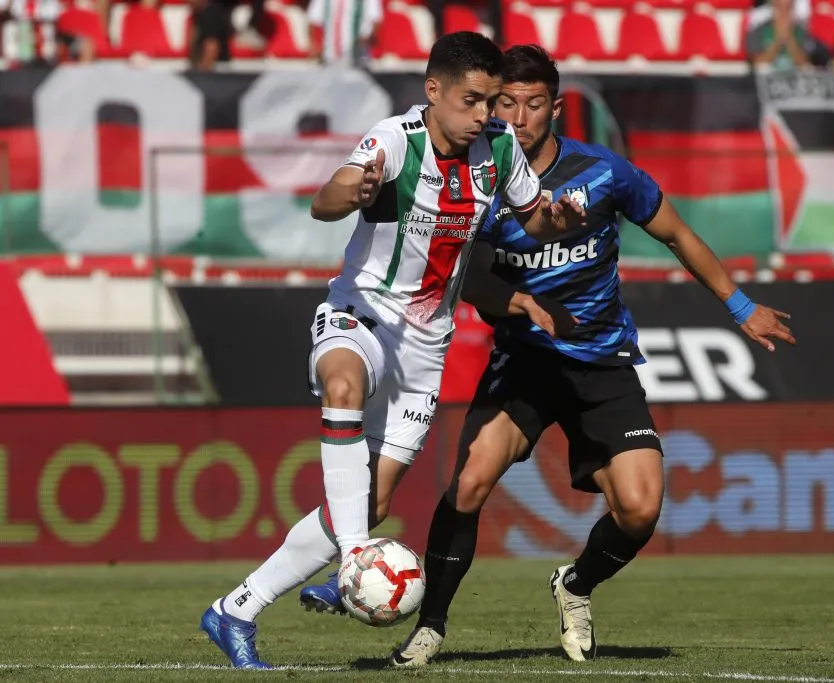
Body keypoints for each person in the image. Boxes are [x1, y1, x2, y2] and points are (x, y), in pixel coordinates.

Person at [301, 44, 796, 667]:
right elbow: (465, 278)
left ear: (556, 108)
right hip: (526, 361)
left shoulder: (605, 173)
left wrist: (740, 305)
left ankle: (576, 584)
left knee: (640, 510)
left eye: (533, 104)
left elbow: (676, 234)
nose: (517, 115)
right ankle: (429, 628)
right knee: (471, 483)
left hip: (602, 359)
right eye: (504, 102)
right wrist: (518, 304)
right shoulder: (483, 176)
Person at [198, 31, 585, 670]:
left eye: (492, 102)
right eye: (472, 101)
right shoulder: (392, 140)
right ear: (433, 92)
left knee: (370, 503)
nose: (486, 115)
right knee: (343, 389)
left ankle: (234, 610)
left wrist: (558, 220)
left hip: (426, 346)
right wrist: (352, 191)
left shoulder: (498, 153)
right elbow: (327, 201)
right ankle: (356, 557)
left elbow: (533, 216)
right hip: (362, 316)